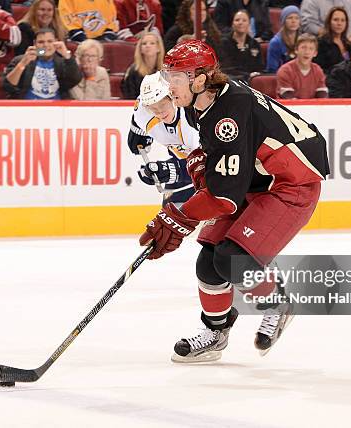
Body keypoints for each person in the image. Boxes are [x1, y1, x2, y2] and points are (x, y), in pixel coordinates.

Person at [140, 39, 329, 362]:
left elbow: (224, 197)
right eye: (168, 73)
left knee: (231, 260)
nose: (168, 84)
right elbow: (221, 166)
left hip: (290, 185)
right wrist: (201, 164)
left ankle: (278, 302)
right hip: (257, 179)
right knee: (208, 265)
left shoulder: (229, 113)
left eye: (177, 76)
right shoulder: (202, 100)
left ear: (200, 79)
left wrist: (178, 217)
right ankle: (215, 332)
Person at [127, 71, 199, 206]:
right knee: (169, 218)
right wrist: (137, 132)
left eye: (163, 104)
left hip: (217, 172)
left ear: (173, 97)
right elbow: (139, 116)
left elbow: (210, 163)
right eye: (153, 109)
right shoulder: (144, 112)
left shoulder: (192, 119)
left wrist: (173, 170)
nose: (159, 112)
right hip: (182, 160)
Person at [3, 28, 82, 99]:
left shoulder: (63, 62)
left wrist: (67, 55)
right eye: (41, 42)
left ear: (56, 42)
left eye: (50, 41)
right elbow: (8, 86)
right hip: (27, 108)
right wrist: (23, 63)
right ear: (35, 44)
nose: (46, 45)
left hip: (57, 109)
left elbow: (75, 80)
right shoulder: (20, 60)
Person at [276, 33, 327, 99]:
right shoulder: (285, 70)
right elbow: (288, 96)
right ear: (296, 50)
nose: (307, 52)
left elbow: (322, 94)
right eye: (303, 48)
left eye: (311, 49)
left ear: (315, 53)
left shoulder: (318, 70)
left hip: (312, 108)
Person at [220, 9, 264, 82]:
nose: (240, 23)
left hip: (252, 80)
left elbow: (260, 67)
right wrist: (247, 75)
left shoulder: (255, 44)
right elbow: (226, 68)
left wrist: (256, 75)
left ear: (249, 24)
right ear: (232, 24)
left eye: (244, 20)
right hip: (232, 80)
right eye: (237, 20)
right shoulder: (224, 43)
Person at [121, 31, 165, 99]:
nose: (147, 46)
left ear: (158, 48)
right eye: (144, 44)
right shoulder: (133, 71)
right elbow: (129, 96)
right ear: (140, 49)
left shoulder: (166, 71)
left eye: (152, 43)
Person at [314, 6, 351, 74]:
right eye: (336, 20)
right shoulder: (321, 43)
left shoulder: (348, 44)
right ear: (329, 22)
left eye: (342, 20)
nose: (339, 23)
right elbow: (318, 69)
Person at [266, 5, 300, 73]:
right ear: (283, 21)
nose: (293, 21)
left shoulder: (302, 40)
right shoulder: (275, 42)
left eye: (297, 18)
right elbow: (272, 69)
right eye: (290, 18)